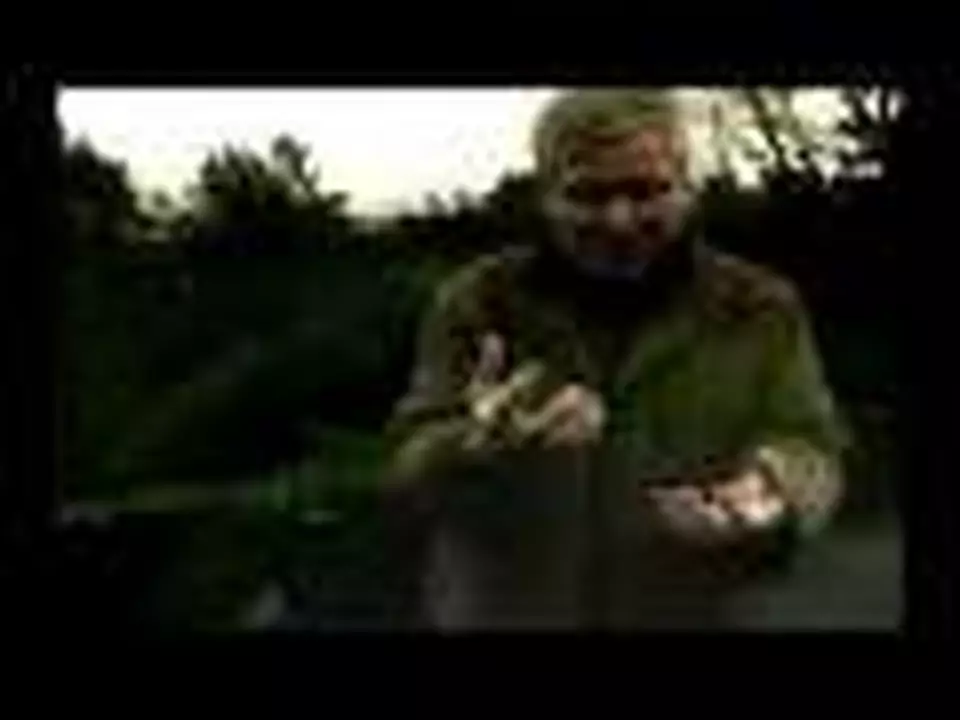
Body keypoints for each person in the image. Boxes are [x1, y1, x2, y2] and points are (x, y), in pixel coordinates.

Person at [381, 88, 848, 631]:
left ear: (688, 189)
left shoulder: (760, 305)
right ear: (545, 197)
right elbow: (406, 463)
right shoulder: (478, 300)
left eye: (646, 190)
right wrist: (473, 445)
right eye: (587, 194)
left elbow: (811, 441)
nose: (619, 219)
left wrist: (771, 489)